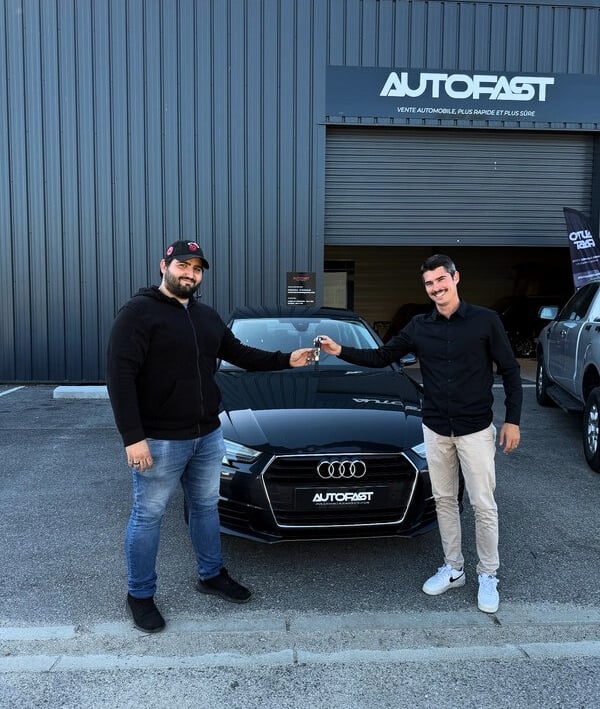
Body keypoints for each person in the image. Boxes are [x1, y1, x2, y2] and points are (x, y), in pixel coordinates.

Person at [106, 240, 314, 633]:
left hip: (207, 435)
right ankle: (140, 594)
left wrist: (287, 359)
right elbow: (119, 377)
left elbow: (242, 354)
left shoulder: (206, 315)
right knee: (148, 516)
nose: (189, 274)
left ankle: (211, 574)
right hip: (160, 440)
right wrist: (132, 437)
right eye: (182, 266)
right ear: (164, 266)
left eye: (197, 269)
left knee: (205, 509)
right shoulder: (137, 313)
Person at [317, 254, 522, 614]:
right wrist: (340, 351)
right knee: (444, 500)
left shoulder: (485, 320)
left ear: (455, 278)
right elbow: (382, 357)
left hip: (475, 429)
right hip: (436, 428)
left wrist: (513, 420)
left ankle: (488, 574)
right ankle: (454, 568)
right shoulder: (419, 326)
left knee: (482, 504)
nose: (436, 288)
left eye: (441, 280)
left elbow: (510, 370)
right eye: (429, 283)